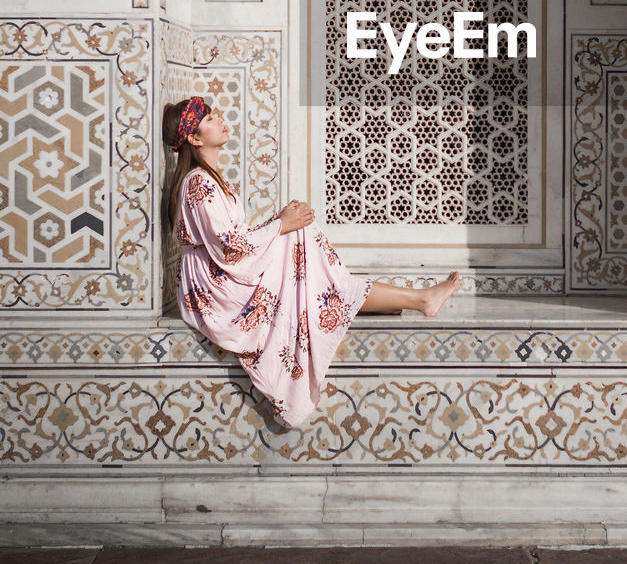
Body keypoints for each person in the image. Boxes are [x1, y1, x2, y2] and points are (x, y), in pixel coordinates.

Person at [163, 97, 460, 428]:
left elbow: (233, 241)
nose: (220, 120)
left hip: (222, 274)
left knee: (299, 235)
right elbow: (230, 248)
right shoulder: (198, 183)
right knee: (298, 237)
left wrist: (281, 221)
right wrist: (281, 225)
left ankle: (371, 299)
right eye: (210, 119)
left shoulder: (210, 178)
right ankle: (412, 299)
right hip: (215, 289)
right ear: (194, 138)